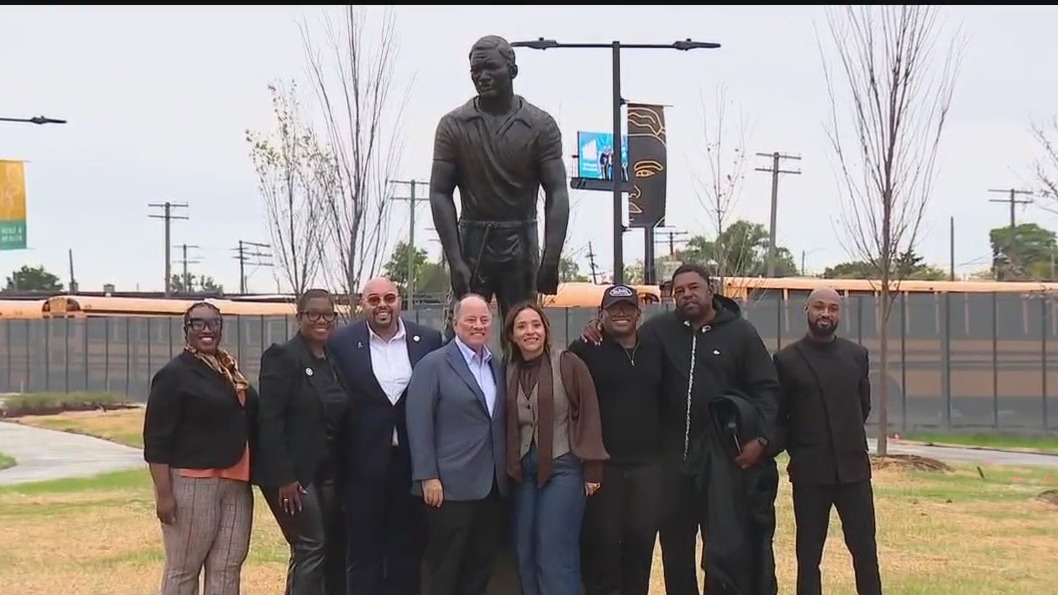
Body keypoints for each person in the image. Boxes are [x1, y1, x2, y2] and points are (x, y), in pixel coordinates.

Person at [581, 263, 781, 595]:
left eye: (693, 287)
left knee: (723, 555)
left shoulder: (740, 334)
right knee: (676, 558)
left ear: (710, 289)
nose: (686, 294)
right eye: (679, 291)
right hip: (671, 469)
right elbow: (623, 334)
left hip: (721, 466)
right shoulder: (658, 331)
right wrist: (595, 327)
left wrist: (761, 439)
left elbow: (768, 390)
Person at [429, 34, 570, 335]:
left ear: (513, 71)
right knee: (461, 333)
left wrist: (551, 259)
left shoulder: (540, 125)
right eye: (475, 71)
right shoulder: (453, 125)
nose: (482, 76)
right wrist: (455, 260)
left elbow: (557, 192)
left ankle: (523, 384)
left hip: (521, 242)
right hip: (472, 242)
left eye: (491, 68)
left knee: (525, 335)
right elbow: (440, 192)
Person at [328, 277, 444, 595]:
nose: (383, 305)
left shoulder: (429, 340)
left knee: (405, 553)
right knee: (363, 555)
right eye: (374, 299)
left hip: (410, 465)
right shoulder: (341, 343)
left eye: (389, 297)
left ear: (400, 301)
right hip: (361, 467)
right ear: (364, 303)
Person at [142, 302, 258, 595]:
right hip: (193, 483)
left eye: (214, 323)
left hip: (236, 481)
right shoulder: (175, 374)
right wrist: (164, 495)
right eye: (198, 323)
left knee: (227, 567)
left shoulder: (228, 370)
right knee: (184, 569)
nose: (207, 329)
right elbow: (156, 440)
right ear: (186, 329)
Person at [773, 287, 882, 595]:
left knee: (865, 552)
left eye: (833, 308)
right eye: (819, 307)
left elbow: (863, 406)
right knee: (808, 555)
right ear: (806, 311)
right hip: (810, 473)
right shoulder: (786, 359)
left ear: (839, 314)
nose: (826, 313)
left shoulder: (856, 355)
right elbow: (781, 417)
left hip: (854, 472)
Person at [502, 301, 609, 595]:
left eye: (536, 325)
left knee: (554, 550)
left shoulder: (568, 362)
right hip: (523, 472)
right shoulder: (508, 368)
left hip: (564, 467)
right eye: (521, 326)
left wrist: (593, 469)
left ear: (546, 330)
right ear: (512, 335)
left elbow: (589, 412)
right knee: (524, 550)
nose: (530, 332)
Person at [405, 294, 507, 595]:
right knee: (445, 567)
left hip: (491, 487)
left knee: (480, 565)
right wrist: (427, 476)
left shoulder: (495, 365)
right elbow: (419, 422)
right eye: (471, 319)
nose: (478, 325)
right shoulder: (433, 365)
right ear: (455, 322)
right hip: (448, 488)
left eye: (484, 319)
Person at [567, 284, 665, 595]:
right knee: (602, 548)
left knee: (640, 544)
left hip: (647, 468)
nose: (621, 314)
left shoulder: (655, 348)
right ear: (600, 315)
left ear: (640, 313)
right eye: (613, 309)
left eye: (627, 308)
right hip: (603, 469)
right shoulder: (584, 349)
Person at [254, 289, 348, 595]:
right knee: (310, 544)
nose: (322, 320)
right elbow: (269, 421)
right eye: (313, 314)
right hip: (293, 475)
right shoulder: (282, 357)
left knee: (329, 545)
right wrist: (285, 477)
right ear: (299, 317)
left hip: (327, 470)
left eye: (328, 314)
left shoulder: (333, 359)